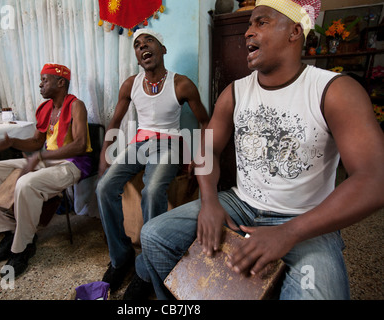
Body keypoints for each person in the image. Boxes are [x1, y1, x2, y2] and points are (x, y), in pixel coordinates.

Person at [140, 0, 384, 300]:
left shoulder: (334, 90)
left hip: (305, 219)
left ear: (294, 32)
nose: (248, 33)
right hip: (241, 204)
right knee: (154, 236)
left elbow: (374, 179)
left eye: (261, 23)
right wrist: (209, 202)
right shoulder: (235, 92)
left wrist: (289, 233)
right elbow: (207, 148)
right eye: (248, 25)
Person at [96, 29, 209, 299]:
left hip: (169, 143)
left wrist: (199, 155)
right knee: (104, 188)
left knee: (154, 188)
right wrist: (104, 152)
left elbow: (205, 121)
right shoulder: (131, 84)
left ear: (163, 49)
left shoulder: (181, 84)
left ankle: (147, 268)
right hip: (138, 144)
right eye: (137, 45)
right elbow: (114, 122)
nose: (143, 46)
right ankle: (121, 258)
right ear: (136, 56)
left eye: (149, 41)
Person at [0, 63, 93, 278]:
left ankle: (21, 249)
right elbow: (35, 142)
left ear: (61, 82)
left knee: (26, 183)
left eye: (44, 80)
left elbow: (79, 145)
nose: (40, 84)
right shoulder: (44, 109)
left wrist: (40, 157)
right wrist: (12, 141)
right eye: (40, 80)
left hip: (72, 164)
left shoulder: (77, 105)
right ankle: (11, 233)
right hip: (47, 161)